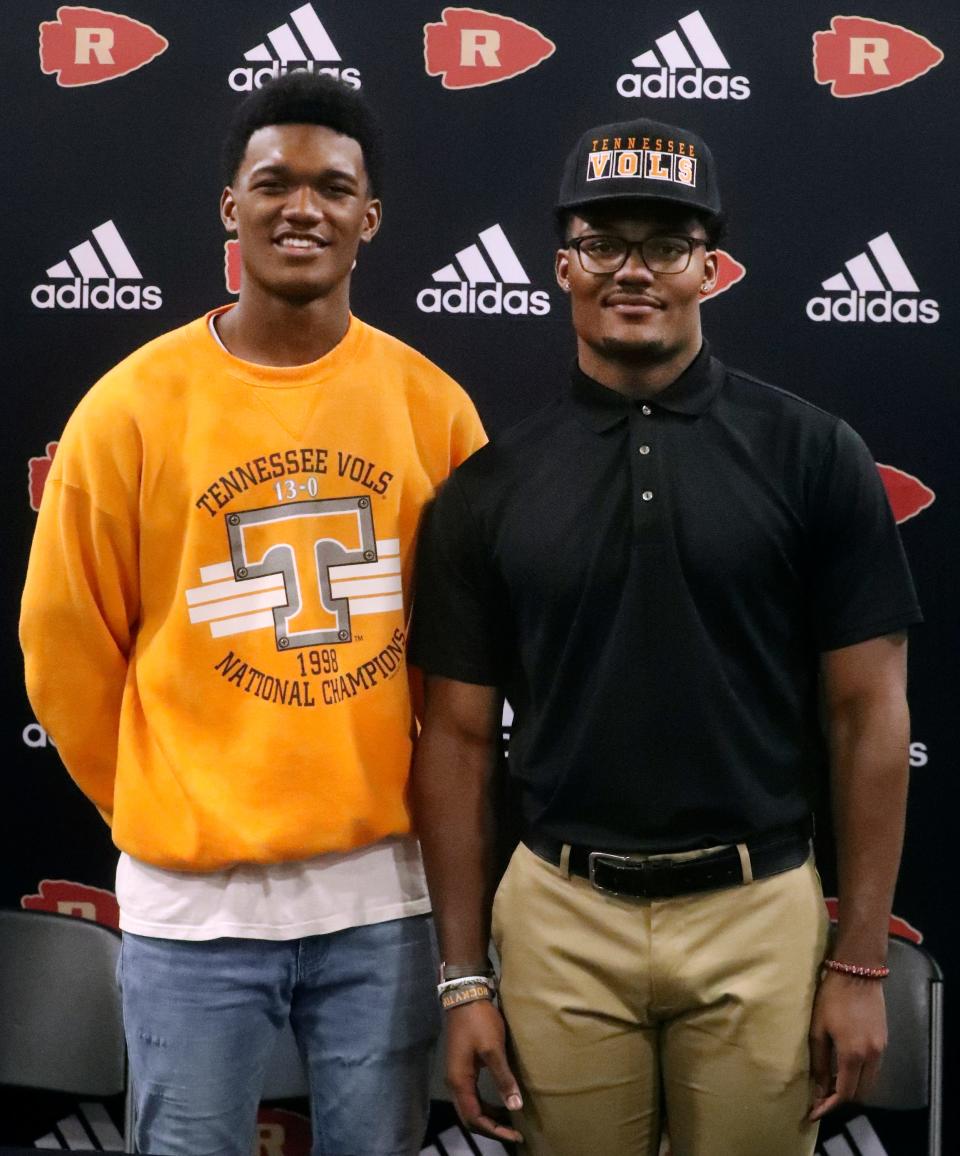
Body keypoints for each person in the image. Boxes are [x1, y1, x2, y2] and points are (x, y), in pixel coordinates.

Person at [408, 116, 921, 1156]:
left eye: (668, 244)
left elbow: (870, 714)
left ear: (710, 270)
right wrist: (464, 979)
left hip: (760, 907)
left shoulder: (814, 455)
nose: (632, 270)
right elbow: (456, 746)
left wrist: (859, 959)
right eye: (604, 243)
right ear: (562, 267)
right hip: (559, 916)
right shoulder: (487, 490)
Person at [20, 72, 485, 1156]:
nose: (302, 207)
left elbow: (471, 666)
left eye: (333, 186)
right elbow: (66, 653)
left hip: (384, 903)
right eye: (273, 182)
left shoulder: (434, 408)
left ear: (369, 218)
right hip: (192, 913)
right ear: (230, 204)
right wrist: (168, 795)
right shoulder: (130, 408)